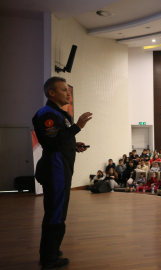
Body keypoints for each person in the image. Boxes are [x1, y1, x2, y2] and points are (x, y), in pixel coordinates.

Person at [33, 77, 91, 268]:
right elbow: (52, 141)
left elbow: (60, 138)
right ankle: (49, 258)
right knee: (56, 213)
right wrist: (78, 126)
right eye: (64, 90)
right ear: (52, 93)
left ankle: (52, 249)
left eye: (69, 90)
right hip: (55, 169)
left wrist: (73, 144)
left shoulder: (58, 113)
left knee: (57, 210)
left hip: (60, 167)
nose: (69, 93)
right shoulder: (47, 113)